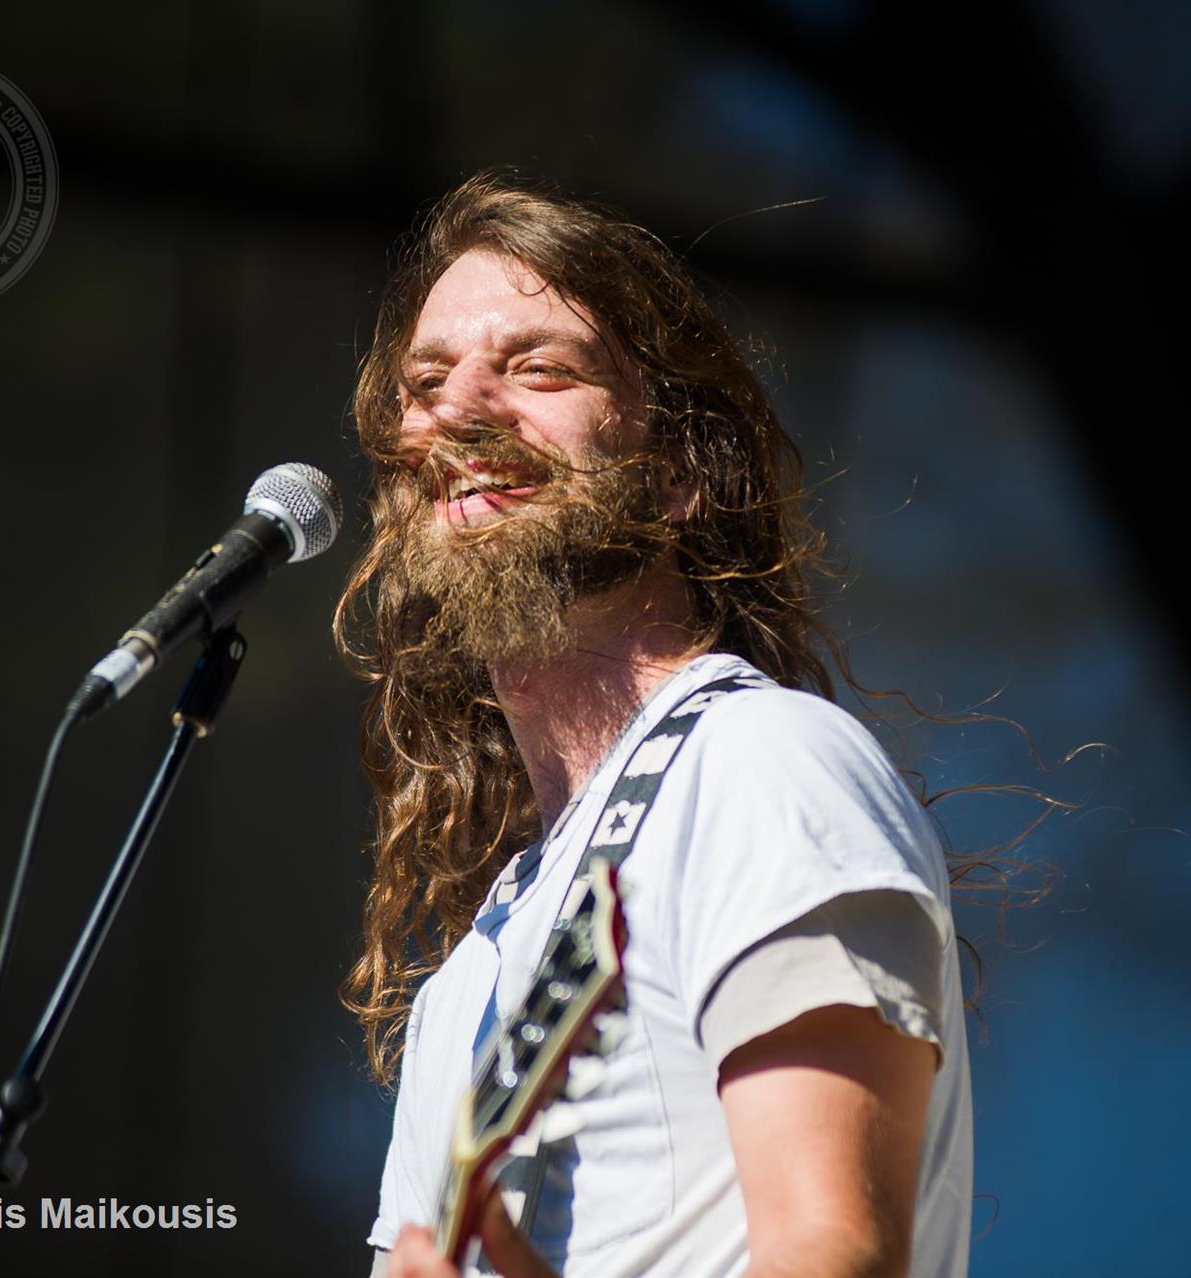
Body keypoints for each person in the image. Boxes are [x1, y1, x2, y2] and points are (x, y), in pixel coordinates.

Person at [333, 171, 972, 1277]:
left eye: (537, 366)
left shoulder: (759, 763)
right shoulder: (469, 979)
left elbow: (834, 1251)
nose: (460, 408)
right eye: (426, 382)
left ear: (679, 472)